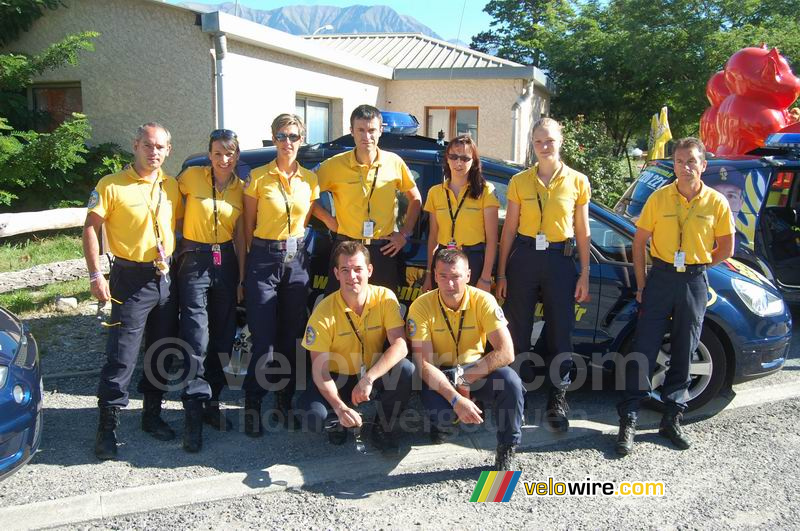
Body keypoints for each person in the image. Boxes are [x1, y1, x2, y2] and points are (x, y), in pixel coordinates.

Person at [616, 137, 734, 456]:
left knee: (685, 346)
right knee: (645, 346)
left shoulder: (716, 203)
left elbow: (726, 247)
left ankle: (672, 418)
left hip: (694, 280)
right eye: (680, 162)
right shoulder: (659, 198)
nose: (685, 167)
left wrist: (698, 264)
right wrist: (641, 285)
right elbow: (639, 243)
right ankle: (628, 418)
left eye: (691, 161)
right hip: (661, 278)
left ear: (703, 165)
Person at [84, 123, 183, 460]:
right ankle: (107, 427)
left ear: (168, 150)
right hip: (129, 277)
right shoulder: (111, 185)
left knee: (161, 350)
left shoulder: (172, 187)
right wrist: (96, 273)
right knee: (122, 355)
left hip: (164, 277)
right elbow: (90, 229)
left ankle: (151, 415)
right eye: (147, 145)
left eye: (160, 147)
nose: (153, 152)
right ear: (135, 144)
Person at [495, 117, 591, 432]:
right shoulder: (520, 181)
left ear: (560, 141)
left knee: (560, 333)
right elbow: (508, 229)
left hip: (560, 259)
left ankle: (558, 400)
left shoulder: (578, 181)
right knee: (518, 331)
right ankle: (517, 397)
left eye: (549, 140)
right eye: (539, 141)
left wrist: (585, 274)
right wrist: (501, 273)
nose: (544, 146)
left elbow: (583, 231)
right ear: (532, 145)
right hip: (523, 257)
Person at [408, 249, 523, 470]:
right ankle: (444, 421)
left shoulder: (483, 300)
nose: (450, 284)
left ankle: (507, 448)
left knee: (510, 381)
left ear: (468, 275)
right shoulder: (420, 306)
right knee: (443, 413)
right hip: (440, 372)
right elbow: (424, 365)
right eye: (443, 276)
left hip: (475, 369)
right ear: (434, 275)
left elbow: (506, 352)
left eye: (456, 276)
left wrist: (466, 379)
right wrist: (455, 399)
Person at [241, 114, 320, 437]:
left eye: (294, 136)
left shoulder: (310, 180)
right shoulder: (257, 177)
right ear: (273, 139)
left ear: (302, 139)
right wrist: (245, 271)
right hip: (263, 258)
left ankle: (284, 400)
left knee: (290, 338)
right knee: (263, 340)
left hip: (297, 260)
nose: (288, 142)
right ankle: (253, 403)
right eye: (282, 136)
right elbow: (246, 228)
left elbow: (313, 218)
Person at [297, 241, 414, 455]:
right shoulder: (323, 312)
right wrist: (339, 406)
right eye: (345, 270)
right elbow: (319, 370)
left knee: (405, 369)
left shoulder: (385, 297)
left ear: (369, 270)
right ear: (336, 273)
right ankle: (340, 418)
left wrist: (369, 378)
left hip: (371, 372)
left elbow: (400, 345)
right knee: (313, 416)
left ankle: (382, 427)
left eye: (358, 269)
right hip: (336, 376)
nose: (352, 277)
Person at [174, 129, 245, 452]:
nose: (224, 159)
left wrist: (241, 277)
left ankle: (211, 403)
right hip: (195, 259)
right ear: (209, 154)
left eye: (229, 153)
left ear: (237, 156)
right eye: (218, 153)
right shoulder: (190, 178)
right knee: (195, 337)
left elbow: (242, 238)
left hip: (225, 261)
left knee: (223, 336)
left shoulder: (242, 189)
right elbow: (170, 214)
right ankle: (192, 413)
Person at [314, 104, 422, 292]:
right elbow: (304, 195)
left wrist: (404, 234)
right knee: (341, 310)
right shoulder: (334, 165)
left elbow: (415, 200)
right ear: (351, 132)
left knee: (383, 312)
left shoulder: (394, 162)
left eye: (372, 130)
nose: (366, 136)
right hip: (346, 248)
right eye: (361, 130)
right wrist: (329, 221)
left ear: (381, 130)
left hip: (383, 250)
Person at [421, 135, 499, 294]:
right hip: (443, 260)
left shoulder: (486, 191)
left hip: (473, 261)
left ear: (474, 161)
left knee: (470, 314)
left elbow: (492, 240)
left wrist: (485, 277)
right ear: (447, 159)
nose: (458, 162)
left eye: (465, 158)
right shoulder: (435, 192)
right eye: (454, 156)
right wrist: (429, 273)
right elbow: (433, 237)